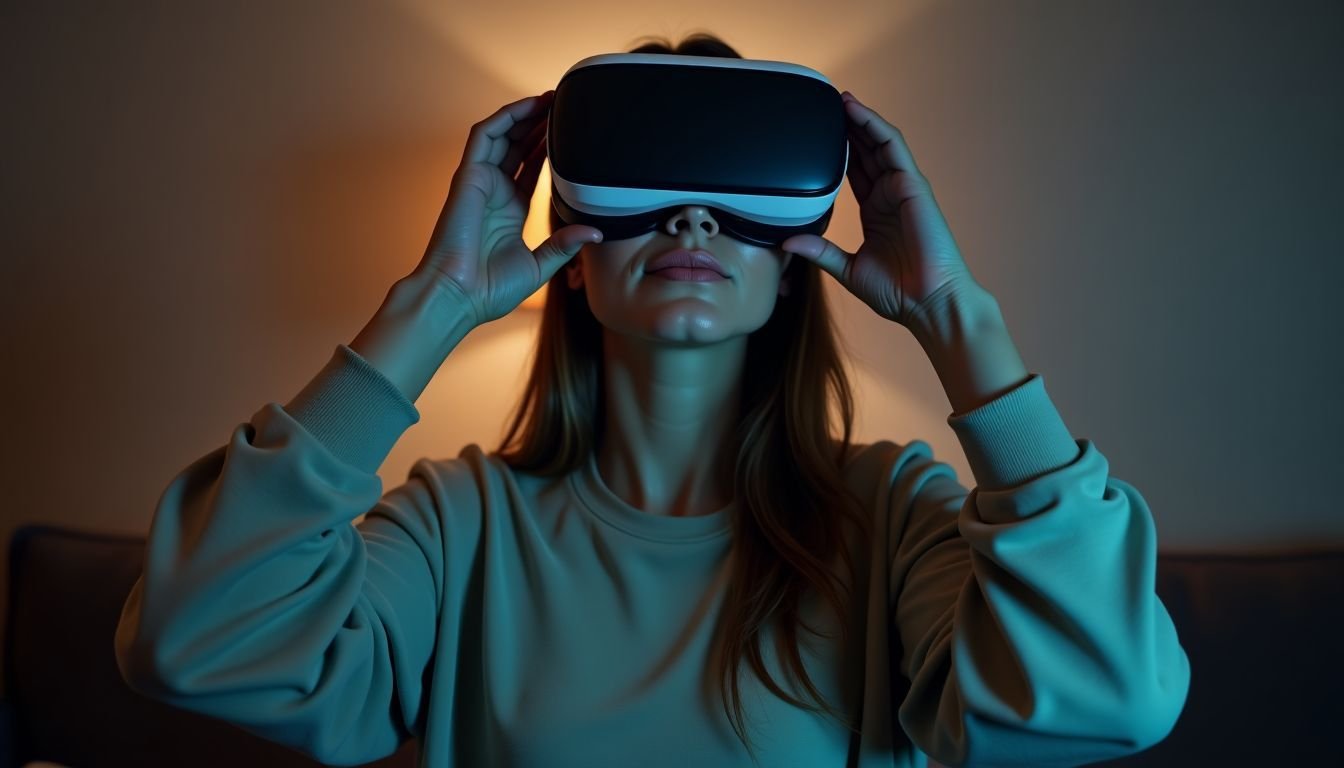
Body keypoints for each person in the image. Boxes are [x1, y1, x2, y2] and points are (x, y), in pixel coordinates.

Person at [114, 33, 1191, 768]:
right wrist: (433, 306)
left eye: (735, 198)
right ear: (571, 261)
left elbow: (1111, 700)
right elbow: (192, 640)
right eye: (650, 189)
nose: (692, 222)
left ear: (795, 264)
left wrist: (962, 323)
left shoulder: (891, 518)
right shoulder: (462, 529)